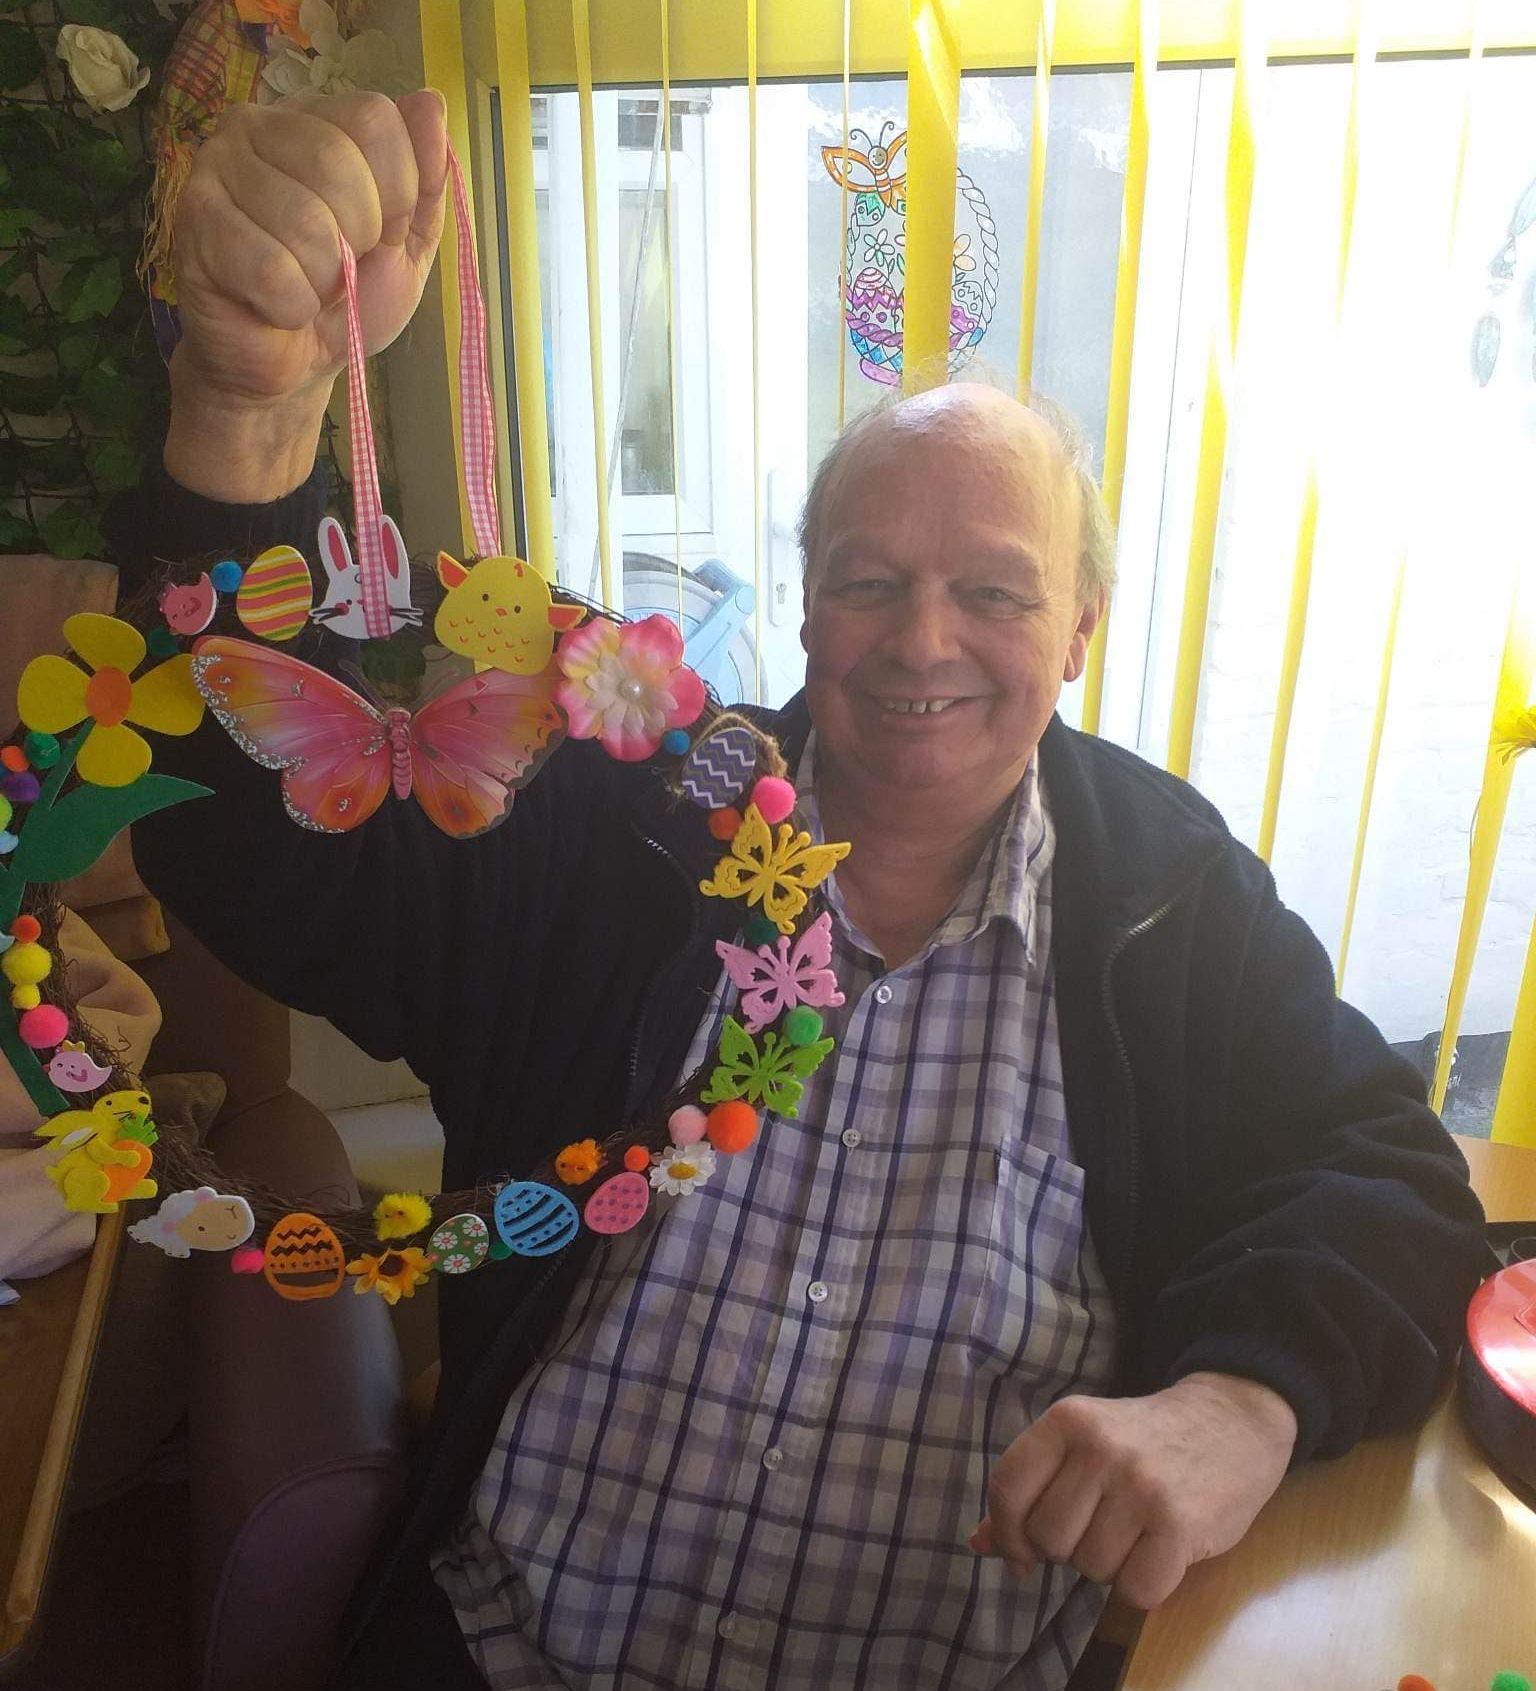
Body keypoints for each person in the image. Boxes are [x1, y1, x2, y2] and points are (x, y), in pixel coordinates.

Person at [109, 90, 1488, 1690]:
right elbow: (262, 852)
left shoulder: (1166, 899)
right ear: (808, 602)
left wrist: (1240, 1398)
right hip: (507, 1646)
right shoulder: (620, 821)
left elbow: (1395, 1181)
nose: (921, 642)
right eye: (869, 582)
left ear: (1083, 629)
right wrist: (245, 419)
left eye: (993, 592)